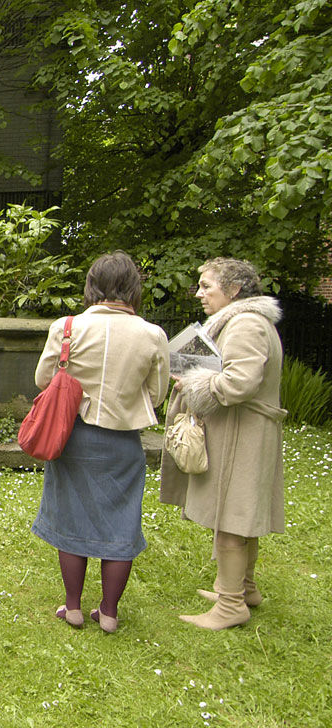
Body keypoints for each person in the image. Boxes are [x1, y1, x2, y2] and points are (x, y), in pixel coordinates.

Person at [30, 251, 169, 633]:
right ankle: (108, 613)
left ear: (91, 286)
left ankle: (73, 608)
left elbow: (44, 380)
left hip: (72, 436)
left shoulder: (67, 327)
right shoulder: (153, 335)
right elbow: (156, 395)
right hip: (123, 442)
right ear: (133, 289)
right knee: (121, 523)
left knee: (70, 516)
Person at [161, 257, 285, 630]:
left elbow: (240, 383)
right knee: (240, 514)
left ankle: (231, 605)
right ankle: (243, 588)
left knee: (232, 517)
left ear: (233, 290)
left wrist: (193, 383)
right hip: (242, 430)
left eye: (206, 286)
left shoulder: (246, 324)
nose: (199, 293)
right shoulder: (246, 321)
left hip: (241, 434)